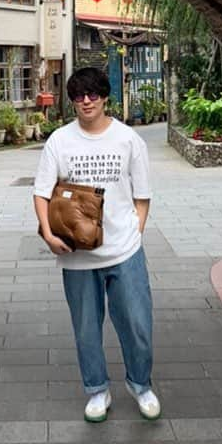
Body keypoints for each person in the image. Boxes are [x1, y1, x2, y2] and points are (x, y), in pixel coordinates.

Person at [33, 67, 160, 422]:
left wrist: (135, 231)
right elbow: (42, 192)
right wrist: (48, 232)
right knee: (86, 328)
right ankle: (97, 389)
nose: (85, 101)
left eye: (92, 94)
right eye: (78, 96)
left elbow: (143, 195)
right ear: (72, 101)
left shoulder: (129, 140)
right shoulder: (59, 140)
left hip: (124, 251)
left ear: (105, 97)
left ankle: (141, 384)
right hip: (77, 254)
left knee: (137, 323)